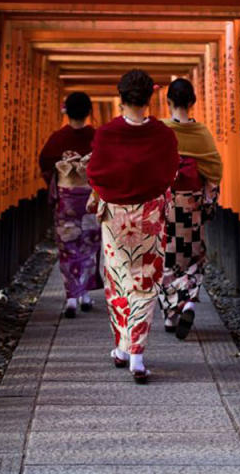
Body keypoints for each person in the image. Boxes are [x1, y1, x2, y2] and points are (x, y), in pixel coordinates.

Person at [87, 70, 179, 383]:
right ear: (149, 98)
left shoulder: (107, 134)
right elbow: (169, 172)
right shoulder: (163, 135)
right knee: (145, 281)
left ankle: (122, 347)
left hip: (115, 217)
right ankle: (136, 354)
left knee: (116, 278)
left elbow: (96, 173)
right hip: (150, 216)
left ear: (121, 97)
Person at [159, 78, 222, 340]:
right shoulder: (202, 133)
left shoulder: (162, 131)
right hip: (193, 201)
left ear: (169, 101)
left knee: (167, 255)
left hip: (167, 202)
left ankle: (172, 314)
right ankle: (188, 301)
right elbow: (214, 169)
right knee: (193, 253)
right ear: (192, 102)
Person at [39, 92, 101, 318]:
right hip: (89, 197)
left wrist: (60, 174)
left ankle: (72, 297)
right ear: (88, 112)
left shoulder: (58, 138)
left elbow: (45, 161)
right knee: (89, 244)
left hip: (66, 199)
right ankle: (85, 294)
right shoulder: (96, 137)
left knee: (68, 247)